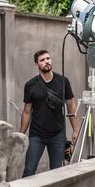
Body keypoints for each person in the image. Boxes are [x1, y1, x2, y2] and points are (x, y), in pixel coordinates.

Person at [20, 49, 79, 177]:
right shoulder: (30, 85)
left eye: (48, 58)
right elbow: (27, 111)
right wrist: (21, 135)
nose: (46, 61)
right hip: (37, 135)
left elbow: (71, 105)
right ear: (37, 65)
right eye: (42, 60)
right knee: (29, 170)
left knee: (57, 174)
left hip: (57, 134)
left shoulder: (63, 81)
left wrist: (75, 129)